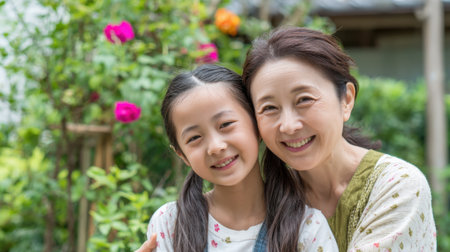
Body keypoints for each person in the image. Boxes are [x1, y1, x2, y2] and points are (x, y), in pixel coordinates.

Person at [241, 26, 437, 251]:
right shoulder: (260, 201)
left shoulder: (398, 186)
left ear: (346, 99)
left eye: (304, 100)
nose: (289, 125)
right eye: (269, 108)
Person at [140, 64, 338, 251]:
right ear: (182, 155)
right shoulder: (170, 224)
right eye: (194, 138)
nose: (216, 147)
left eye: (225, 124)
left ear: (257, 123)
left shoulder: (307, 227)